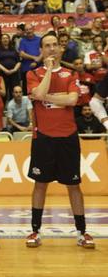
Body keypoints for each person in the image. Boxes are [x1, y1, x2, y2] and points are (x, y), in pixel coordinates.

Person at [25, 32, 95, 249]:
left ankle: (82, 232)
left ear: (60, 48)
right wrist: (47, 71)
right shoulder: (33, 73)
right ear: (41, 50)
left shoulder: (70, 74)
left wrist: (43, 97)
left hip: (68, 138)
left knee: (74, 185)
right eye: (47, 45)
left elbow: (72, 100)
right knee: (40, 185)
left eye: (55, 45)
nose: (52, 49)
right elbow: (39, 90)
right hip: (43, 138)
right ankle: (35, 231)